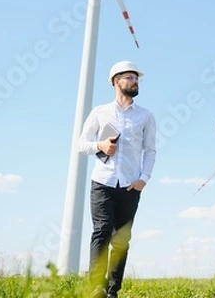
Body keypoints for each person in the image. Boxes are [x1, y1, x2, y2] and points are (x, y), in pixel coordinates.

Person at [78, 60, 156, 298]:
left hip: (130, 186)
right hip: (103, 182)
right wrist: (100, 145)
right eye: (129, 77)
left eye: (136, 78)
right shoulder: (99, 112)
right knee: (101, 233)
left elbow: (150, 151)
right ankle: (96, 288)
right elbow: (81, 145)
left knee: (121, 240)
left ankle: (113, 290)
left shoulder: (146, 116)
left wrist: (143, 179)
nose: (134, 82)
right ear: (115, 81)